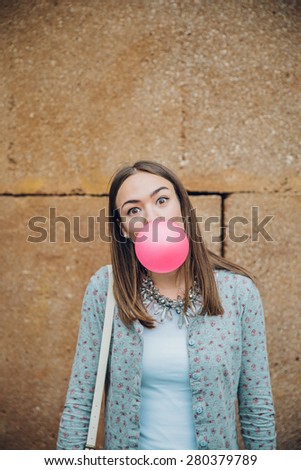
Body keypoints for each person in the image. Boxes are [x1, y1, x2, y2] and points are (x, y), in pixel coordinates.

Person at [57, 160, 276, 450]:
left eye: (161, 200)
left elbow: (257, 405)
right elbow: (80, 399)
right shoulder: (105, 288)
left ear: (182, 209)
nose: (151, 217)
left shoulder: (239, 293)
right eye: (133, 210)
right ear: (123, 228)